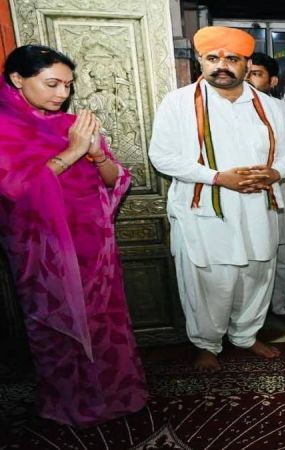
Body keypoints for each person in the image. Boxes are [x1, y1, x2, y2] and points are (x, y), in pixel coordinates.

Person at [0, 45, 148, 426]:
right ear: (17, 79)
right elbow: (16, 190)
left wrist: (96, 154)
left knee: (105, 321)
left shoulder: (72, 123)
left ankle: (117, 395)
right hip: (44, 247)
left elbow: (116, 179)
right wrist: (73, 151)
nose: (62, 94)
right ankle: (69, 403)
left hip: (94, 244)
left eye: (67, 85)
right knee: (56, 324)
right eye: (52, 84)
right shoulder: (5, 128)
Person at [148, 27, 285, 372]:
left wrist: (275, 172)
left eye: (232, 58)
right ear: (200, 61)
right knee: (210, 281)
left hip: (257, 208)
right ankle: (207, 343)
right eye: (213, 58)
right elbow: (162, 157)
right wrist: (217, 177)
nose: (222, 66)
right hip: (204, 210)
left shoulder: (268, 106)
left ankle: (246, 336)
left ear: (247, 63)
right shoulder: (178, 103)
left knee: (256, 274)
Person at [247, 53, 285, 318]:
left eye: (256, 74)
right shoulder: (220, 114)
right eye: (246, 73)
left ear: (272, 81)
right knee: (248, 256)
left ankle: (278, 304)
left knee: (280, 253)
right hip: (242, 194)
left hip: (283, 190)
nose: (248, 79)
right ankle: (250, 312)